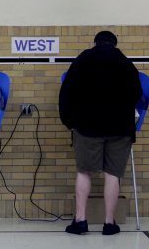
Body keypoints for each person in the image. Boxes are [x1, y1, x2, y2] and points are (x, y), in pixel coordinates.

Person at [59, 30, 141, 236]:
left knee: (84, 171)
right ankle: (109, 223)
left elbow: (66, 92)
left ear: (95, 43)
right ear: (114, 44)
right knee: (113, 174)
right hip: (120, 127)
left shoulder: (82, 60)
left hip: (87, 127)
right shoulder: (125, 63)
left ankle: (80, 221)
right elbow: (137, 94)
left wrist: (69, 122)